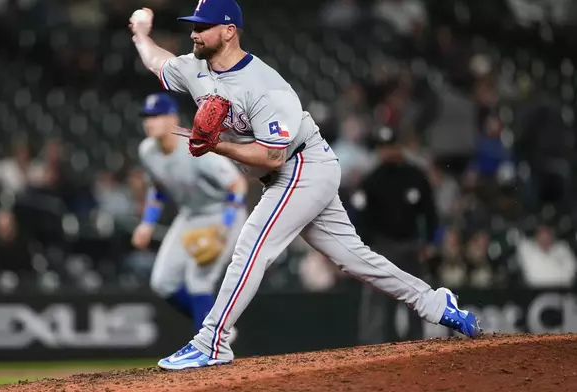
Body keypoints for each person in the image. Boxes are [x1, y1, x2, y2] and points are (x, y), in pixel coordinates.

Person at [129, 0, 481, 371]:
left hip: (302, 164)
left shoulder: (265, 86)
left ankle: (212, 341)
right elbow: (157, 61)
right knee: (354, 258)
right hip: (291, 172)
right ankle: (437, 303)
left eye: (203, 26)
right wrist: (141, 34)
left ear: (229, 31)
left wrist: (219, 145)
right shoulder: (195, 68)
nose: (194, 33)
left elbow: (272, 158)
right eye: (193, 26)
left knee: (251, 245)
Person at [132, 92, 248, 334]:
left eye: (156, 115)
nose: (149, 121)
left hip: (222, 213)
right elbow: (158, 188)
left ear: (172, 117)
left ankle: (206, 342)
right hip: (190, 215)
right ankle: (216, 327)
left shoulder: (196, 146)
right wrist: (147, 224)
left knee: (198, 281)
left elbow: (237, 185)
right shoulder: (147, 151)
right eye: (147, 116)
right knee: (162, 283)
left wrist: (224, 228)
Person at [352, 126, 438, 344]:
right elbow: (360, 217)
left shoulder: (415, 176)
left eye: (390, 146)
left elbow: (429, 211)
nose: (387, 151)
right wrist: (366, 246)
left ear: (399, 147)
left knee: (415, 296)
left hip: (410, 245)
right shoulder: (371, 180)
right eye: (383, 147)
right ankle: (372, 346)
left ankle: (418, 342)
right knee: (375, 299)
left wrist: (428, 242)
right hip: (381, 247)